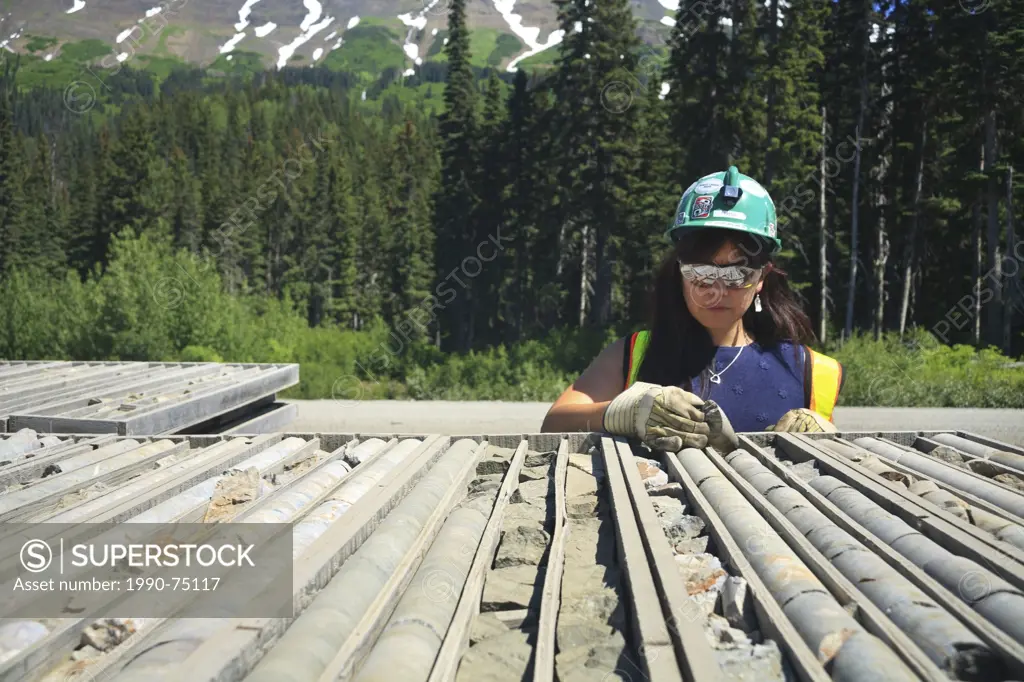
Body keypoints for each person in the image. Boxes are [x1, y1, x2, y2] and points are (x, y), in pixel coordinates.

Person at [540, 166, 845, 453]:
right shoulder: (633, 354)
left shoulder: (812, 371)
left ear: (761, 279)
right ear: (679, 273)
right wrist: (622, 412)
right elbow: (554, 424)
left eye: (737, 275)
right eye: (701, 274)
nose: (716, 291)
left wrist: (826, 438)